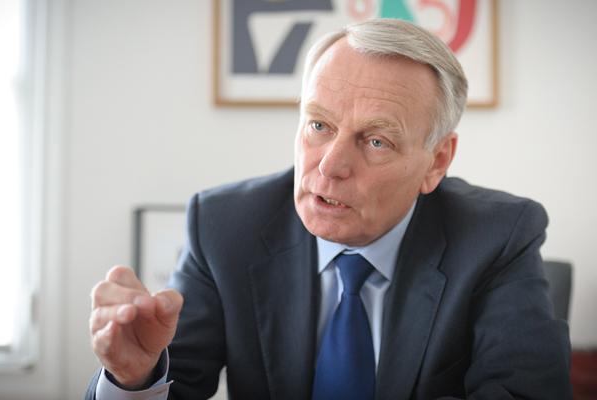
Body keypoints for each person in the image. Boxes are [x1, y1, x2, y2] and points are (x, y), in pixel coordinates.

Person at [86, 19, 571, 399]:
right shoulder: (223, 226)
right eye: (319, 125)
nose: (331, 165)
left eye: (376, 141)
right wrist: (134, 378)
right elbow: (177, 384)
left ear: (437, 161)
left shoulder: (498, 235)